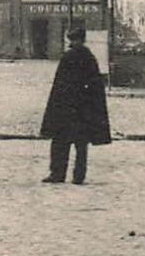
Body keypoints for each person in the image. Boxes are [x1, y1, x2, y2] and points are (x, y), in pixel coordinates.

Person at [39, 25, 111, 184]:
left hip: (66, 109)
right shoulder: (90, 57)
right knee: (81, 144)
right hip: (83, 110)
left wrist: (56, 108)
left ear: (72, 40)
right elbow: (95, 85)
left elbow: (59, 85)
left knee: (60, 143)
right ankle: (79, 176)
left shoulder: (68, 57)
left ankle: (57, 174)